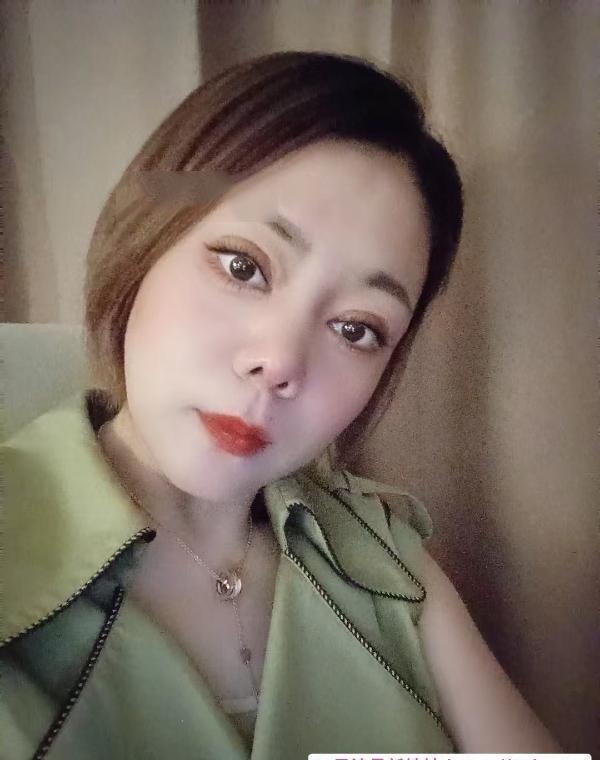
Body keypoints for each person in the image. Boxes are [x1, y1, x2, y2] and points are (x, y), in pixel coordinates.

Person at [2, 51, 561, 759]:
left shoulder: (379, 552)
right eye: (245, 267)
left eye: (356, 328)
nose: (281, 362)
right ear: (143, 241)